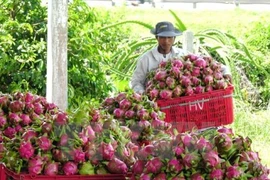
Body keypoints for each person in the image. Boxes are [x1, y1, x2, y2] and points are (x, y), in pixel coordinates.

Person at [130, 21, 232, 94]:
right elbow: (136, 82)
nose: (166, 41)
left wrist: (226, 72)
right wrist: (144, 94)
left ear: (174, 38)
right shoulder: (146, 59)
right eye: (162, 37)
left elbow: (208, 63)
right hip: (156, 103)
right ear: (156, 38)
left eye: (169, 37)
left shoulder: (183, 55)